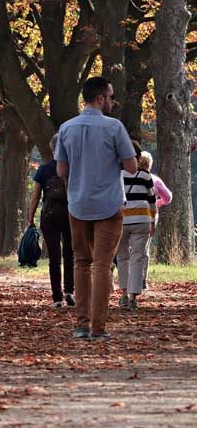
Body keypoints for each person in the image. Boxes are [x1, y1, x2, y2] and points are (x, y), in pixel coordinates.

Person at [56, 76, 138, 340]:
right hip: (109, 203)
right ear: (101, 98)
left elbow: (61, 170)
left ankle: (81, 324)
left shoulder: (66, 128)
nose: (113, 101)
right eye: (111, 97)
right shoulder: (115, 128)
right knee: (102, 265)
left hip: (77, 204)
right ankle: (98, 328)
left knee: (81, 262)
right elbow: (132, 167)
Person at [27, 134, 75, 308]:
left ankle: (57, 297)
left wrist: (30, 219)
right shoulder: (72, 168)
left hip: (49, 216)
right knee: (70, 253)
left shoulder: (43, 170)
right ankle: (70, 290)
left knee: (54, 257)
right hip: (70, 215)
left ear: (52, 148)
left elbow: (35, 197)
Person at [117, 151, 157, 311]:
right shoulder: (146, 176)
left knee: (122, 257)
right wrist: (153, 220)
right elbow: (152, 200)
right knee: (138, 258)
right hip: (142, 219)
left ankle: (124, 294)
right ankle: (133, 297)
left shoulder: (118, 175)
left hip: (121, 220)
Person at [142, 151, 172, 289]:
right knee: (145, 248)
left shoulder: (128, 177)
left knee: (129, 249)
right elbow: (168, 197)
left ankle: (130, 279)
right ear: (150, 164)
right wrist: (159, 202)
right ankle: (143, 279)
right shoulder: (155, 180)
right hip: (150, 215)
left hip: (130, 215)